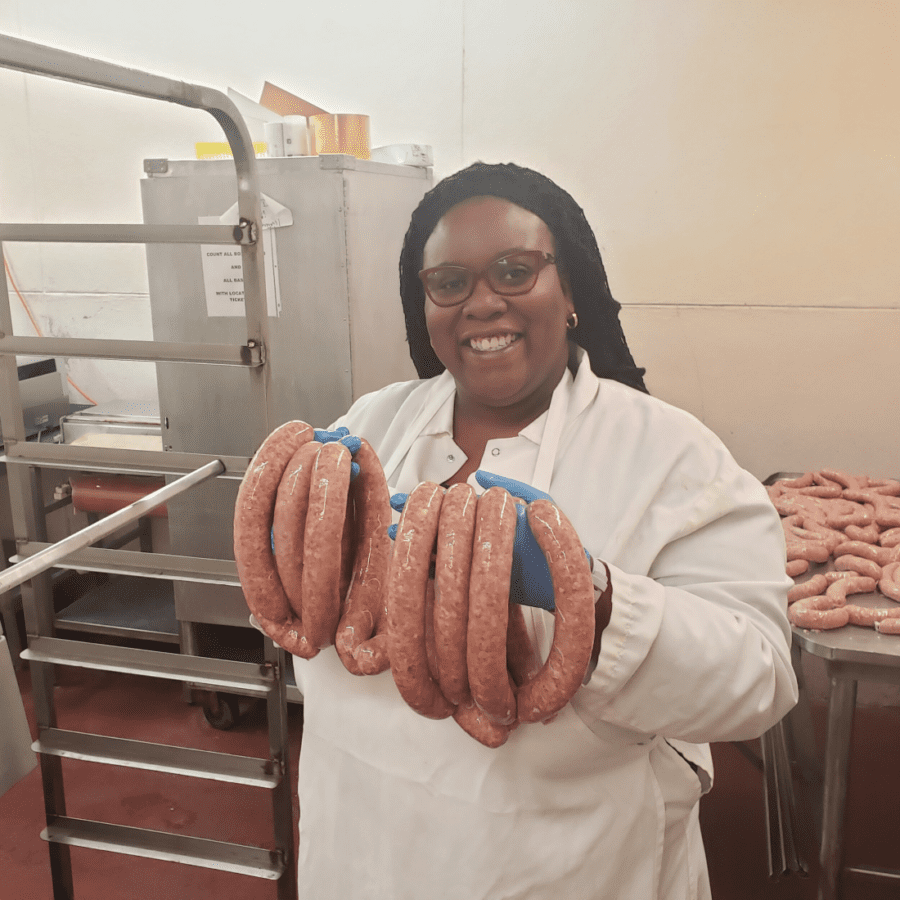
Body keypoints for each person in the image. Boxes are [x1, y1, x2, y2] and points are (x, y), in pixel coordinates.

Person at [291, 161, 798, 899]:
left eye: (514, 271)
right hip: (362, 850)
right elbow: (305, 632)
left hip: (569, 865)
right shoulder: (370, 426)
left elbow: (759, 679)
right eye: (450, 283)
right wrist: (290, 557)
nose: (482, 303)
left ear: (571, 291)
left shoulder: (669, 452)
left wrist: (596, 601)